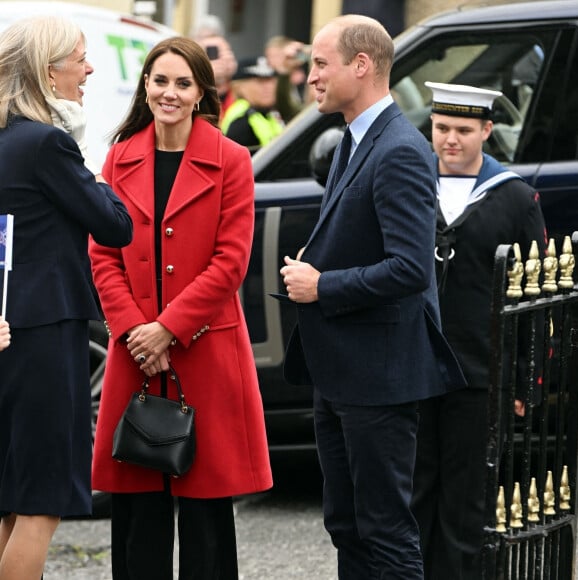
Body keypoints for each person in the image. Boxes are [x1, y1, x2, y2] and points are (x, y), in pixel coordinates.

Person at [279, 15, 465, 579]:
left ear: (362, 65)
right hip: (339, 372)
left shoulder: (401, 149)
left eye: (319, 64)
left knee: (385, 530)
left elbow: (410, 269)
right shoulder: (353, 139)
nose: (310, 77)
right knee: (347, 524)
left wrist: (321, 284)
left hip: (380, 378)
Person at [88, 36, 273, 580]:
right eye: (160, 80)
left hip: (206, 350)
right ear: (145, 86)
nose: (169, 92)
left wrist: (167, 329)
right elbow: (102, 255)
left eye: (182, 83)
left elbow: (231, 261)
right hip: (136, 354)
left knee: (206, 519)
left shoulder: (232, 159)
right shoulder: (119, 157)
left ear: (201, 94)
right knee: (138, 513)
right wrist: (134, 332)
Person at [0, 15, 133, 580]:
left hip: (11, 323)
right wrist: (92, 172)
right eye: (79, 58)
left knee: (10, 496)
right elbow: (115, 225)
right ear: (47, 71)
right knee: (41, 502)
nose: (89, 68)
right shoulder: (48, 143)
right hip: (46, 331)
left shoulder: (9, 138)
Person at [411, 82, 547, 579]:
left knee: (467, 501)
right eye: (442, 128)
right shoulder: (410, 182)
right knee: (414, 492)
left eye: (464, 130)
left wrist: (522, 381)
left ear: (487, 131)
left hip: (478, 372)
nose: (450, 139)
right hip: (413, 366)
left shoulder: (514, 198)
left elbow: (535, 299)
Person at [221, 56, 285, 153]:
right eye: (260, 82)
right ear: (239, 87)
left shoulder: (267, 113)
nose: (267, 87)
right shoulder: (240, 121)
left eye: (270, 80)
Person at [190, 15, 238, 125]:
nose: (217, 60)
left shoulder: (242, 93)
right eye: (209, 54)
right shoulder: (189, 94)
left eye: (220, 51)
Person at [265, 35, 313, 123]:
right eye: (269, 56)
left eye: (277, 56)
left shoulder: (300, 76)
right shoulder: (269, 80)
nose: (269, 61)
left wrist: (306, 50)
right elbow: (285, 107)